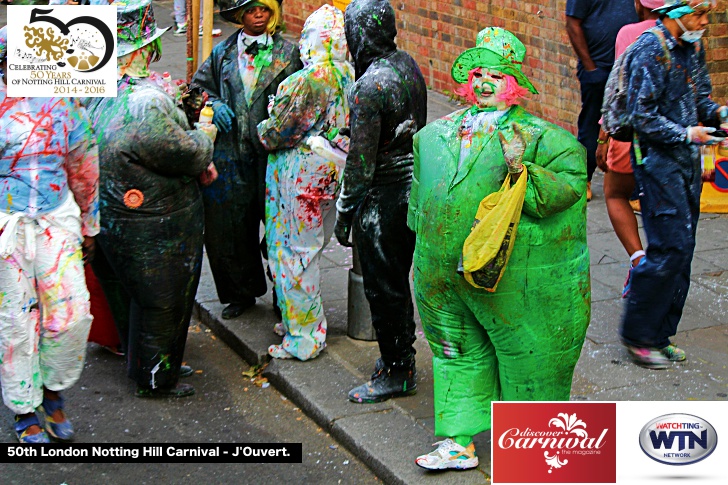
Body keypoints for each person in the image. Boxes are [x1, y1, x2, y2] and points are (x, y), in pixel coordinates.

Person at [409, 27, 591, 470]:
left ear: (513, 84)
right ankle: (458, 442)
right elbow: (417, 203)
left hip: (509, 279)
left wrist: (520, 168)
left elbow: (570, 188)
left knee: (529, 357)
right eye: (477, 73)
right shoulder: (432, 137)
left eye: (495, 74)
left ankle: (534, 453)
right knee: (455, 354)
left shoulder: (546, 139)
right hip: (439, 274)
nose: (485, 82)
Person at [85, 0, 217, 398]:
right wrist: (205, 132)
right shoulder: (146, 102)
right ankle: (156, 377)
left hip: (109, 217)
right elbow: (189, 153)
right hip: (153, 224)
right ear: (143, 50)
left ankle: (139, 360)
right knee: (162, 301)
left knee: (130, 295)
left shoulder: (96, 92)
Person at [1, 25, 99, 442]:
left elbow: (84, 164)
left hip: (57, 220)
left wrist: (89, 222)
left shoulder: (64, 101)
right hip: (7, 225)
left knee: (71, 313)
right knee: (16, 321)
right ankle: (24, 407)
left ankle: (53, 392)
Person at [620, 0, 728, 368]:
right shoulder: (650, 49)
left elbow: (700, 99)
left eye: (706, 15)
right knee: (669, 248)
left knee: (683, 250)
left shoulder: (691, 47)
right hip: (656, 163)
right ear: (673, 12)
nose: (703, 23)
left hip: (687, 161)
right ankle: (637, 335)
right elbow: (641, 115)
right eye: (698, 15)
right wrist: (686, 133)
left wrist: (719, 115)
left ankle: (660, 334)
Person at [335, 0, 427, 403]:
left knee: (384, 287)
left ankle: (397, 369)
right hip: (413, 188)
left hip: (382, 200)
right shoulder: (406, 63)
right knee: (396, 282)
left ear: (359, 34)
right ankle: (399, 357)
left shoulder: (369, 87)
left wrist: (343, 213)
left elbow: (359, 166)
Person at [191, 0, 302, 320]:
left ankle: (286, 295)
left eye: (264, 10)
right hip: (231, 155)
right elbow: (197, 89)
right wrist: (212, 102)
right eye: (252, 10)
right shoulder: (222, 52)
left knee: (282, 229)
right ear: (241, 15)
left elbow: (304, 97)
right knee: (230, 228)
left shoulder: (289, 54)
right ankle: (239, 292)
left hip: (274, 156)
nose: (258, 16)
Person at [257, 4, 354, 360]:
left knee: (293, 254)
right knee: (310, 250)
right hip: (331, 176)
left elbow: (277, 133)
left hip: (301, 179)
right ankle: (298, 321)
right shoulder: (349, 75)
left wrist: (264, 125)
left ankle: (304, 336)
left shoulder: (308, 81)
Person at [595, 0, 662, 299]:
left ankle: (638, 258)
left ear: (640, 4)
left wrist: (602, 137)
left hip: (629, 135)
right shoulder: (683, 36)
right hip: (669, 142)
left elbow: (617, 90)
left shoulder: (630, 33)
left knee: (615, 193)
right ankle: (660, 262)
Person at [566, 0, 638, 201]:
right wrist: (590, 68)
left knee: (630, 126)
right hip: (598, 68)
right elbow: (572, 24)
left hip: (628, 69)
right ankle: (583, 179)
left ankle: (633, 187)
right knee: (590, 123)